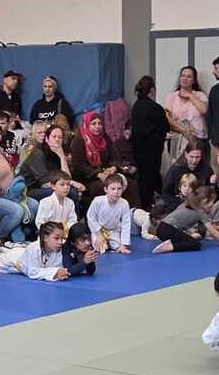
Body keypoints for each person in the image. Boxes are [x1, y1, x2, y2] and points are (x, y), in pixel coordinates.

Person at [0, 219, 76, 280]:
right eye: (56, 238)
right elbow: (32, 272)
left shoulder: (59, 250)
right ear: (45, 238)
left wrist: (59, 272)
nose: (60, 242)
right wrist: (55, 273)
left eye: (62, 238)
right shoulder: (34, 249)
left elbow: (53, 267)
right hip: (13, 258)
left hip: (21, 253)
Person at [128, 76, 167, 208]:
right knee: (151, 178)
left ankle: (144, 205)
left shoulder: (136, 106)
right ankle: (149, 205)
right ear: (152, 90)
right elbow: (165, 127)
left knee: (143, 179)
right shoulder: (155, 108)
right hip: (152, 151)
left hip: (138, 150)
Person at [85, 174, 134, 253]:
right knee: (100, 249)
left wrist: (123, 244)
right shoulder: (98, 201)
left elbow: (126, 223)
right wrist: (99, 234)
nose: (116, 192)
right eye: (113, 189)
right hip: (99, 230)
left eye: (119, 189)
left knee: (119, 247)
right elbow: (91, 217)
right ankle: (102, 242)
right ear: (106, 189)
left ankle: (113, 243)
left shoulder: (124, 203)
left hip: (113, 230)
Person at [164, 66, 210, 142]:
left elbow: (204, 110)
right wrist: (184, 131)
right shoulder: (171, 96)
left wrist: (190, 95)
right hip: (178, 138)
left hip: (198, 138)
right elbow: (167, 118)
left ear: (194, 81)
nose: (185, 78)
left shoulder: (200, 95)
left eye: (189, 77)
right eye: (183, 76)